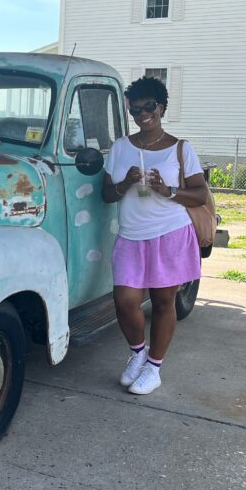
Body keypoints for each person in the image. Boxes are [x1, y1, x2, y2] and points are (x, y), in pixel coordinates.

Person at [102, 75, 207, 395]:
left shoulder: (180, 148)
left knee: (164, 302)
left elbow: (200, 195)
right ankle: (138, 354)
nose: (143, 114)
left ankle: (154, 367)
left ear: (161, 107)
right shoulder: (121, 147)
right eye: (136, 109)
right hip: (131, 236)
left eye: (150, 106)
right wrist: (126, 184)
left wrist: (167, 189)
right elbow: (107, 195)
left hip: (170, 233)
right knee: (125, 301)